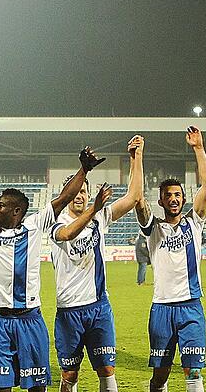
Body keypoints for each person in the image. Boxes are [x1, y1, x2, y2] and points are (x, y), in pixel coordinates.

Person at [0, 139, 103, 392]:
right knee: (1, 388)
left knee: (37, 388)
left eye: (1, 206)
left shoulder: (34, 225)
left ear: (16, 211)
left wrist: (84, 170)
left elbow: (65, 197)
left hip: (30, 319)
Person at [50, 135, 145, 392]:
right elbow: (68, 234)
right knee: (69, 374)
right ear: (65, 194)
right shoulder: (54, 222)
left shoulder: (100, 216)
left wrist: (136, 158)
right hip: (69, 310)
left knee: (106, 370)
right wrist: (95, 209)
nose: (80, 196)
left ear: (89, 193)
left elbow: (134, 196)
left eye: (83, 191)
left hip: (98, 307)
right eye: (75, 191)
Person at [134, 126, 206, 392]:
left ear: (183, 198)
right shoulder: (152, 228)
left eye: (177, 195)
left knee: (193, 371)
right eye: (168, 195)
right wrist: (138, 157)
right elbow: (137, 199)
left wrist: (198, 148)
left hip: (191, 306)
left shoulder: (195, 222)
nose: (174, 199)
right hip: (162, 309)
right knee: (161, 374)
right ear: (161, 201)